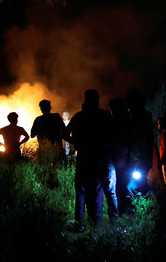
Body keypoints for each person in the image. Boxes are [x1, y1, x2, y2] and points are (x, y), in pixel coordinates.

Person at [64, 89, 118, 228]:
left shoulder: (79, 116)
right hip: (103, 157)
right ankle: (113, 223)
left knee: (82, 190)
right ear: (97, 100)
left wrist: (76, 142)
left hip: (85, 158)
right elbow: (114, 133)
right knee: (106, 191)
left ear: (86, 100)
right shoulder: (104, 115)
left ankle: (81, 223)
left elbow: (64, 133)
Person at [109, 97, 134, 215]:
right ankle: (126, 211)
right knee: (124, 186)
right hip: (125, 160)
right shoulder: (128, 122)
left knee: (120, 187)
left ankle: (124, 211)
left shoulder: (116, 122)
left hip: (120, 160)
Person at [127, 92, 155, 194]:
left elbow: (146, 141)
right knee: (135, 185)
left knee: (139, 185)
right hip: (136, 159)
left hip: (139, 159)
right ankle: (139, 205)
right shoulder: (141, 120)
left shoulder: (143, 121)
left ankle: (141, 206)